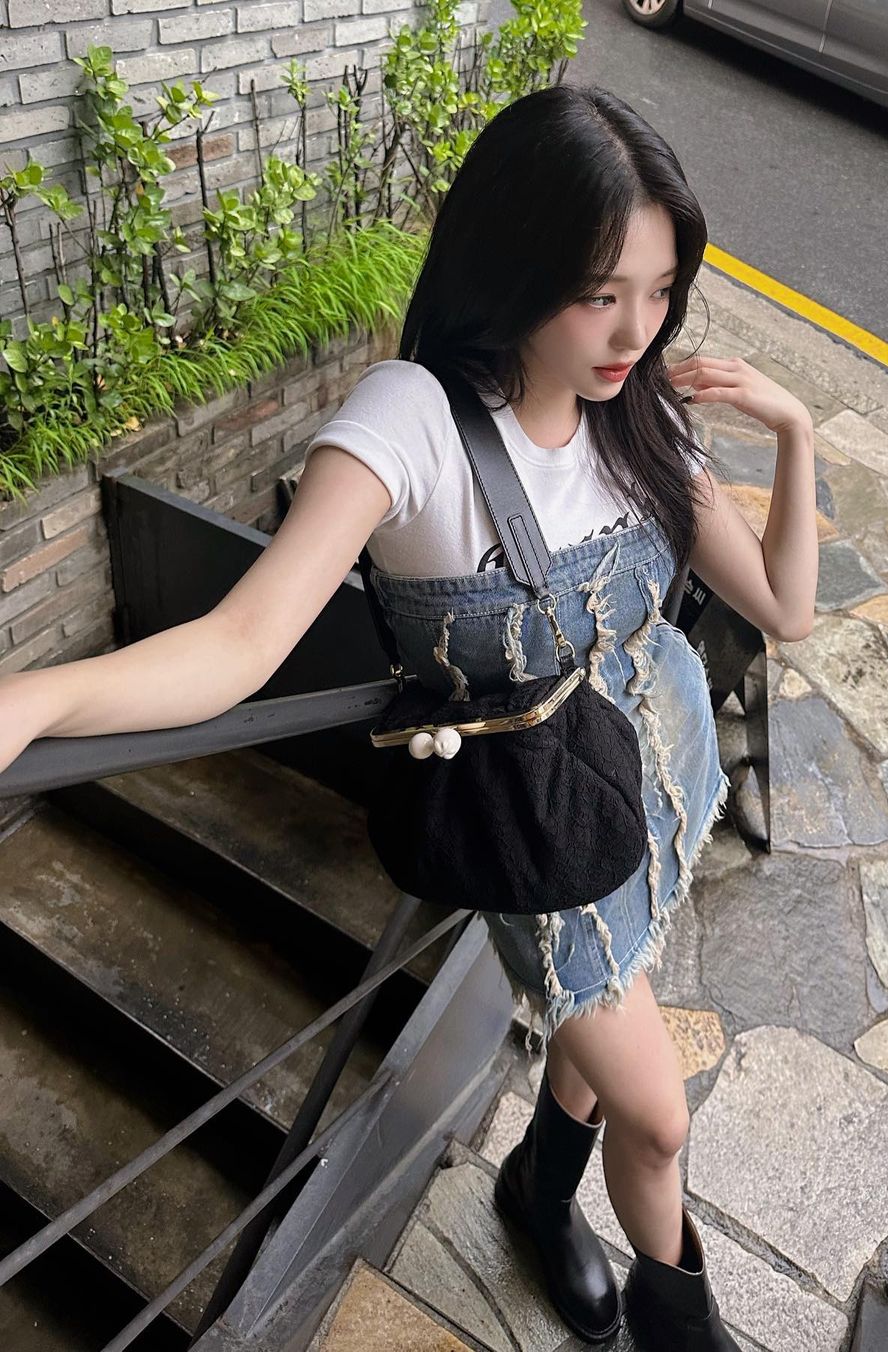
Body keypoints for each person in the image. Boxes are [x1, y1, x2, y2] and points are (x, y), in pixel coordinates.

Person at [0, 83, 818, 1350]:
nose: (636, 330)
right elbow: (241, 641)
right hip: (534, 826)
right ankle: (682, 1329)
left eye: (661, 293)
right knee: (658, 1116)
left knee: (604, 1032)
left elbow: (782, 603)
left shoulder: (639, 409)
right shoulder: (416, 421)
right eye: (600, 294)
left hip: (651, 769)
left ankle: (538, 1188)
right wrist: (35, 695)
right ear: (514, 266)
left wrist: (797, 430)